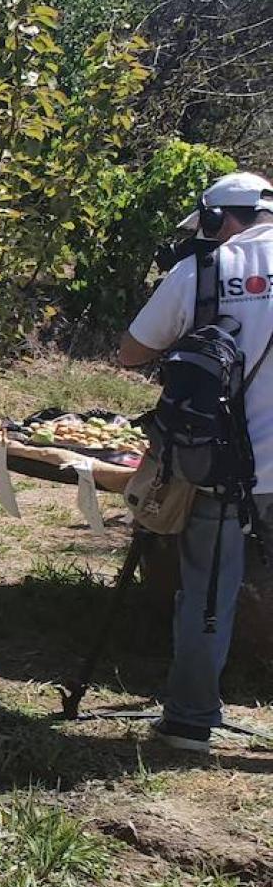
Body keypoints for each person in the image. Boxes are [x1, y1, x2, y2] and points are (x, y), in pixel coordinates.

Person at [119, 171, 273, 754]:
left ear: (216, 218)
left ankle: (189, 721)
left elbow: (133, 350)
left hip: (225, 470)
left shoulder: (204, 270)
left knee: (208, 591)